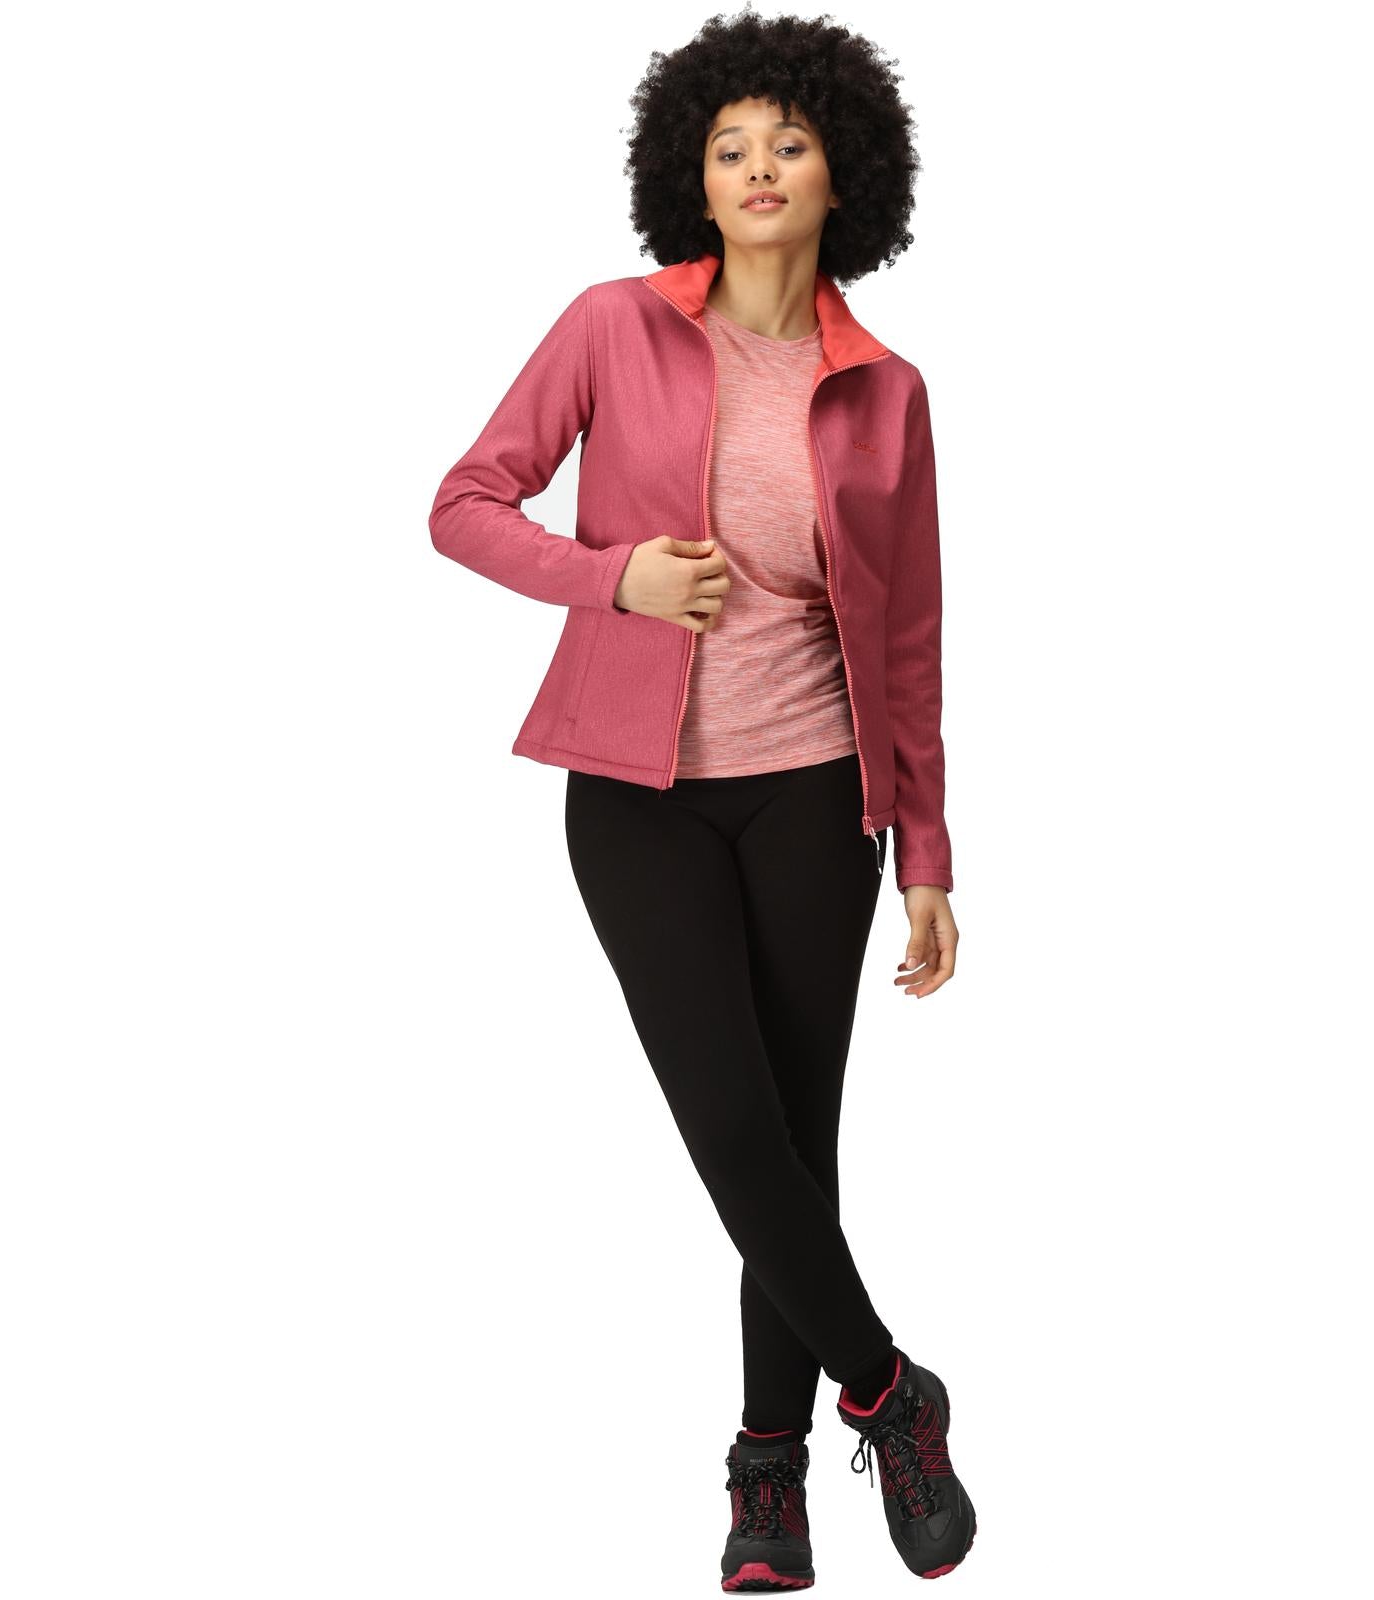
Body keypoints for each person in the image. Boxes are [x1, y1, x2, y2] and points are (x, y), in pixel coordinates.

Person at [428, 9, 975, 1588]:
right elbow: (463, 504)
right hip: (636, 792)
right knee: (731, 1127)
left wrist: (927, 849)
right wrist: (612, 578)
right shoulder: (611, 326)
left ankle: (768, 1478)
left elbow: (911, 636)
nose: (758, 168)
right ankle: (892, 1390)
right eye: (729, 147)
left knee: (795, 1143)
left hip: (817, 792)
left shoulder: (888, 392)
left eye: (789, 143)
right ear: (692, 172)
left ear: (843, 173)